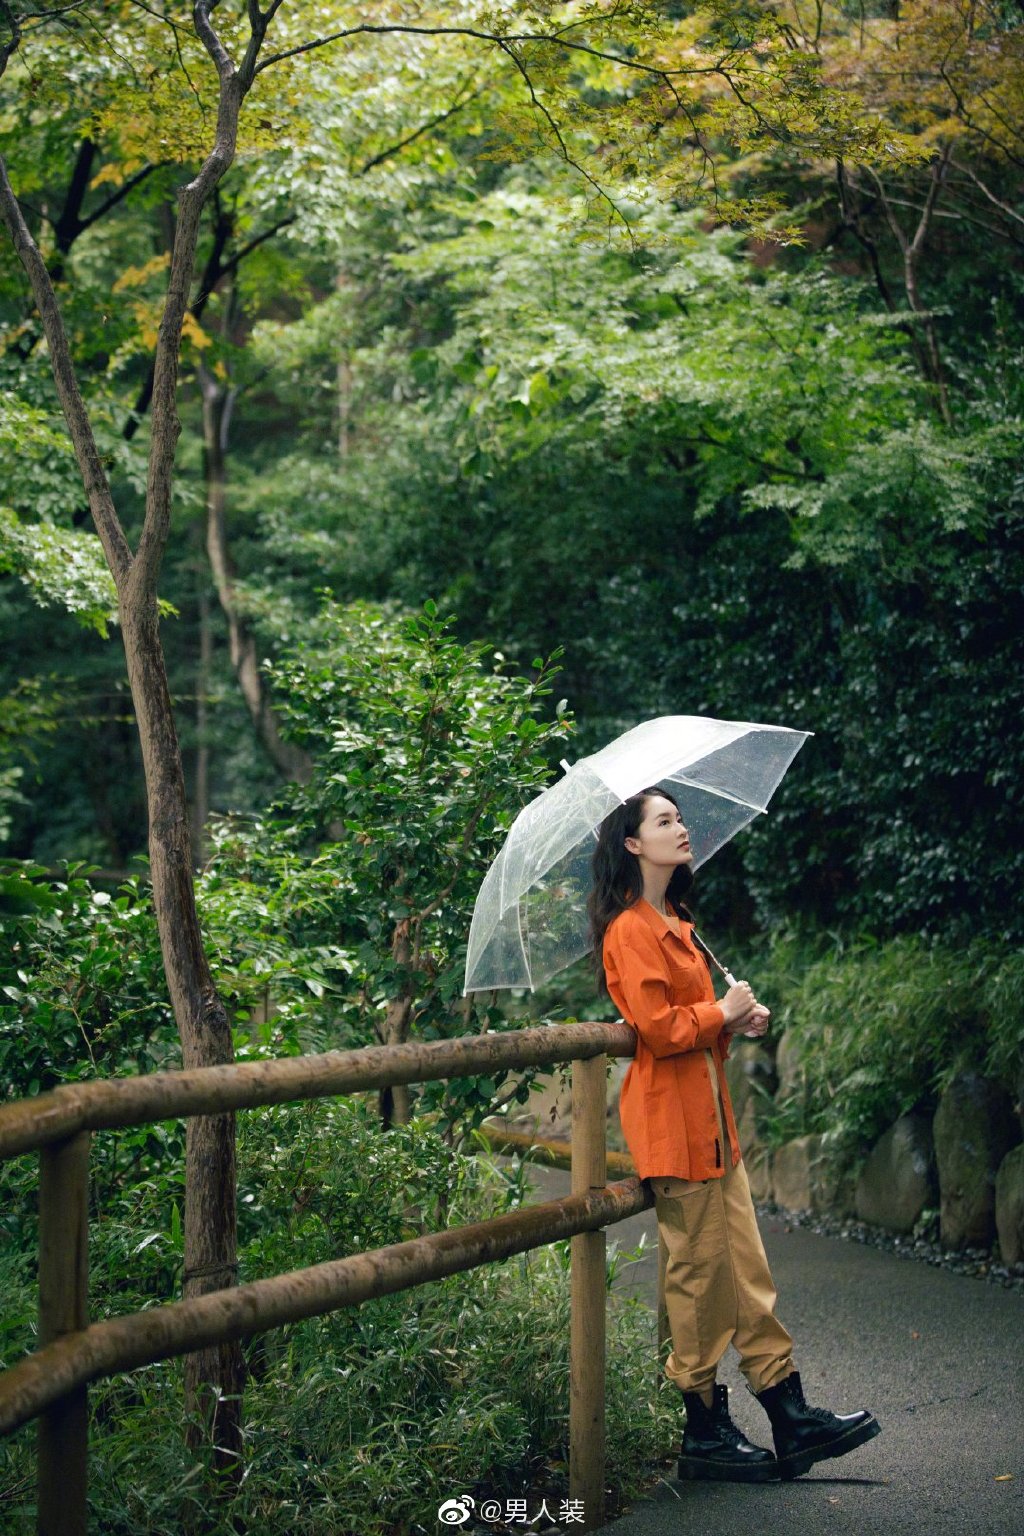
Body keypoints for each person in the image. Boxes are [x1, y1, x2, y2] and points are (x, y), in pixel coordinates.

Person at [588, 787, 881, 1483]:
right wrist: (720, 1011)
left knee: (747, 1269)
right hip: (672, 1124)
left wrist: (733, 1020)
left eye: (680, 817)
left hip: (712, 1121)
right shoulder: (630, 930)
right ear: (633, 844)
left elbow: (697, 1024)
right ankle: (703, 1429)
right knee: (696, 1276)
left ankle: (790, 1413)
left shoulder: (678, 921)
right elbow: (658, 1031)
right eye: (665, 821)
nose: (681, 828)